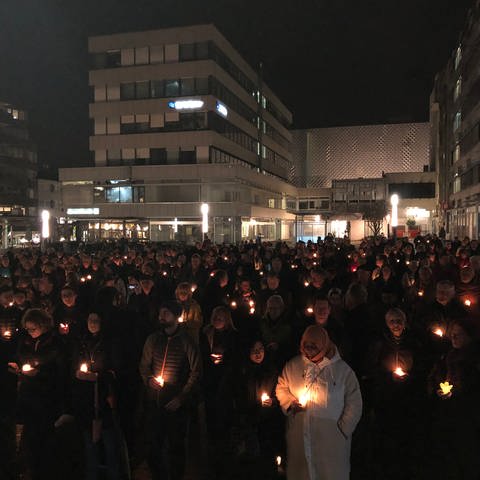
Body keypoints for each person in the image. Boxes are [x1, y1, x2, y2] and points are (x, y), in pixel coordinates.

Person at [276, 325, 362, 480]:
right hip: (300, 437)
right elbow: (281, 386)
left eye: (313, 346)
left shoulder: (343, 371)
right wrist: (289, 403)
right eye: (305, 346)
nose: (308, 350)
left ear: (323, 345)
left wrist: (342, 430)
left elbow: (354, 402)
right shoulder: (293, 365)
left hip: (331, 442)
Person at [139, 300, 202, 480]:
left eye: (166, 313)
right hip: (155, 402)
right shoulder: (153, 339)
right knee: (152, 447)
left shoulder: (186, 341)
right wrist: (149, 379)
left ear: (176, 316)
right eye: (160, 313)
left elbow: (196, 372)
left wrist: (182, 397)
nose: (161, 317)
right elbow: (144, 365)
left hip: (176, 405)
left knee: (176, 448)